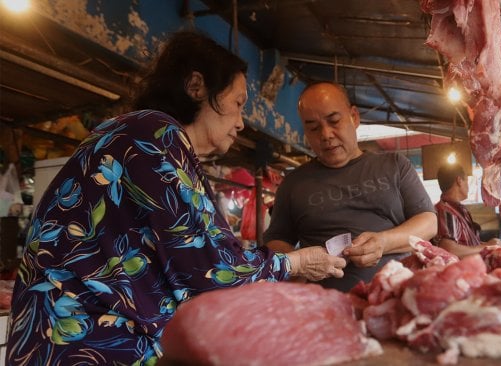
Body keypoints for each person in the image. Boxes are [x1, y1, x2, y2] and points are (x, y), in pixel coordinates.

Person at [6, 31, 345, 365]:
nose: (242, 123)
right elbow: (212, 271)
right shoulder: (154, 134)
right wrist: (296, 263)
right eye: (238, 103)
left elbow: (191, 256)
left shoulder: (139, 137)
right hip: (86, 343)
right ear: (196, 87)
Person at [263, 81, 437, 292]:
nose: (326, 134)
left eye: (334, 121)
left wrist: (383, 242)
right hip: (325, 305)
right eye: (313, 128)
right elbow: (275, 241)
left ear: (354, 117)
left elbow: (429, 222)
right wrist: (300, 265)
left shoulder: (395, 166)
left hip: (396, 297)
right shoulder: (293, 184)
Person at [433, 162, 501, 257]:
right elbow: (449, 249)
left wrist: (489, 244)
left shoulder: (459, 210)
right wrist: (486, 246)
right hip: (460, 270)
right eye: (466, 180)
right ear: (459, 180)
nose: (468, 186)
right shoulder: (445, 211)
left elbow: (468, 245)